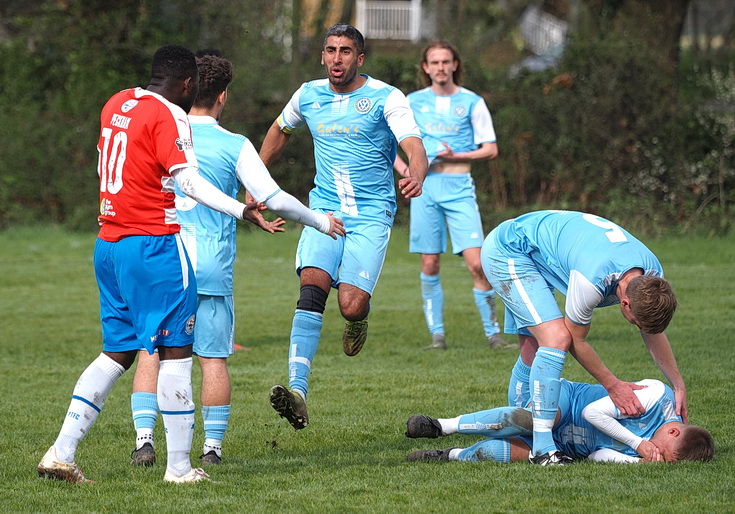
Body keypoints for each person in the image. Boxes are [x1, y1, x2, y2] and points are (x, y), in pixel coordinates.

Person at [37, 44, 343, 484]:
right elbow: (190, 181)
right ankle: (179, 468)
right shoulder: (170, 116)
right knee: (178, 353)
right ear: (186, 84)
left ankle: (61, 453)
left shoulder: (118, 101)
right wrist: (249, 212)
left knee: (120, 351)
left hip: (108, 243)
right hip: (155, 247)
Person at [128, 52, 346, 467]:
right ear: (223, 97)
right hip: (210, 266)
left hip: (164, 258)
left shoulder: (159, 130)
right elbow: (274, 197)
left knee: (151, 353)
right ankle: (211, 449)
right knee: (212, 360)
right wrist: (320, 221)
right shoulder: (233, 144)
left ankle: (144, 441)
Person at [259, 23, 428, 430]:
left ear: (360, 58)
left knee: (350, 303)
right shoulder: (308, 94)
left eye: (346, 51)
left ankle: (357, 319)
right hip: (324, 211)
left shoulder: (387, 96)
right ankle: (298, 392)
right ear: (322, 56)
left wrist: (417, 173)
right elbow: (279, 130)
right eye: (331, 50)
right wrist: (257, 179)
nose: (337, 58)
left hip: (372, 215)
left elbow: (413, 144)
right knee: (312, 284)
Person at [480, 209, 687, 465]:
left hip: (536, 251)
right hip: (510, 249)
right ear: (624, 303)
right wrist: (613, 386)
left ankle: (525, 426)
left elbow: (653, 331)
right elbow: (577, 342)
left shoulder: (653, 278)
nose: (639, 328)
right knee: (557, 339)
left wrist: (677, 384)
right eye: (636, 323)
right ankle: (544, 449)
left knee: (532, 351)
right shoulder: (592, 281)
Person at [393, 41, 511, 352]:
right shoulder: (411, 101)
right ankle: (438, 336)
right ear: (426, 67)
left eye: (446, 61)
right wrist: (406, 170)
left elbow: (491, 148)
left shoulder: (472, 102)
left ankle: (494, 335)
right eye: (435, 62)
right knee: (430, 264)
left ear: (455, 65)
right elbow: (386, 140)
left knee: (478, 264)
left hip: (459, 188)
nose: (441, 67)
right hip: (425, 190)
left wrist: (458, 153)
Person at [404, 372, 713, 464]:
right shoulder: (658, 397)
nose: (657, 455)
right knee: (537, 420)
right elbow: (594, 412)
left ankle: (448, 455)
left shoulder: (650, 450)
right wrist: (639, 444)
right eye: (664, 453)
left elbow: (598, 455)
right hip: (569, 402)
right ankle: (441, 426)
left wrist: (637, 461)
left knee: (502, 455)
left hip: (568, 445)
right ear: (673, 433)